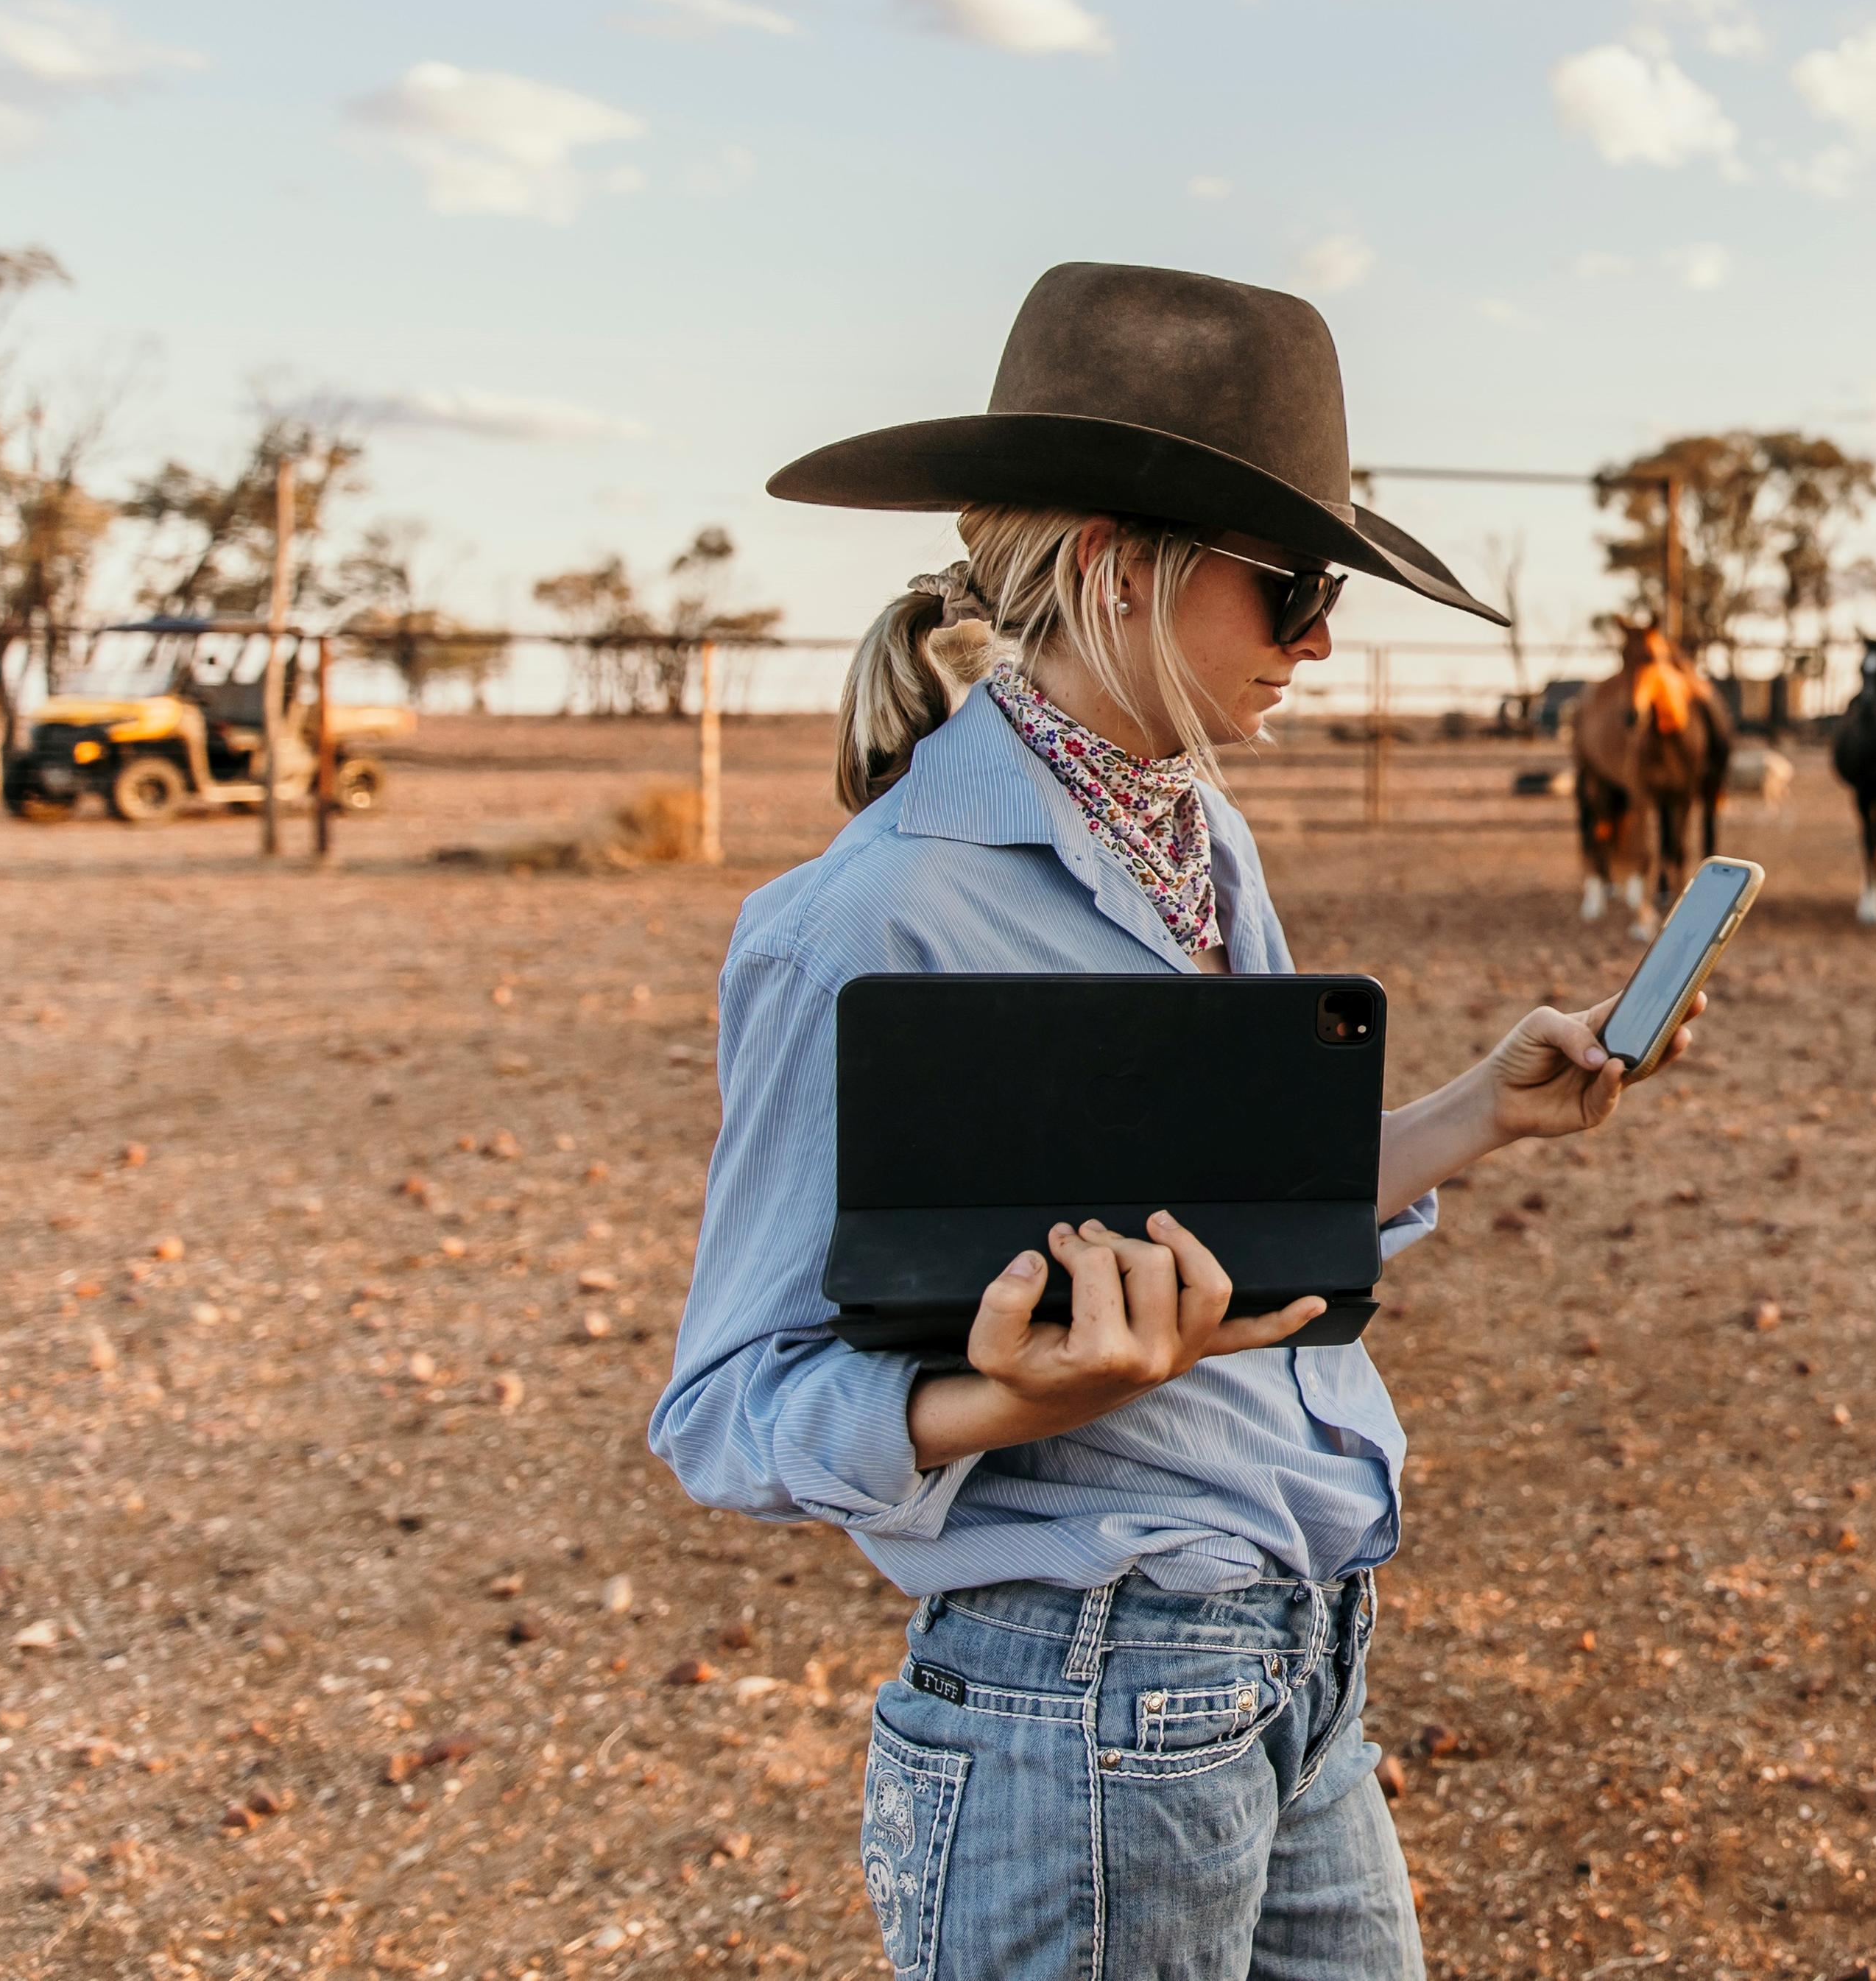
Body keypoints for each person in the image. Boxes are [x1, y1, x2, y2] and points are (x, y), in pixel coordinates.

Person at [652, 264, 1696, 1980]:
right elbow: (727, 1405)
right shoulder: (864, 919)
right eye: (1290, 587)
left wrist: (1474, 1114)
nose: (1320, 639)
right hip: (1081, 1694)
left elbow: (1236, 1206)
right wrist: (1009, 1393)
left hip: (1297, 1654)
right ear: (1124, 559)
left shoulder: (1207, 843)